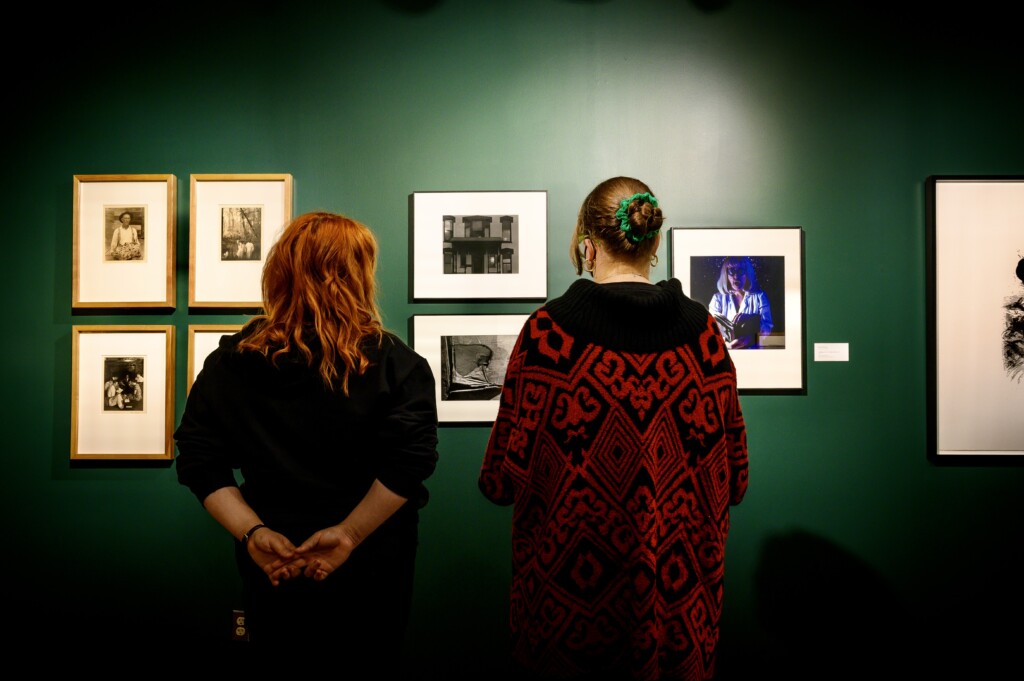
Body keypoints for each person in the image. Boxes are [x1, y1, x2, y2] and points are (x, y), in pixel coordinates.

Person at [479, 176, 749, 681]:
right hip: (677, 618)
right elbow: (736, 479)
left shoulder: (546, 334)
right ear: (655, 243)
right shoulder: (706, 336)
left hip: (565, 619)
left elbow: (498, 480)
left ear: (587, 243)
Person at [174, 211, 440, 663]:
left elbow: (199, 458)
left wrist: (253, 533)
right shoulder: (398, 364)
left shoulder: (230, 363)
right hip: (372, 559)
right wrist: (349, 536)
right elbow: (410, 462)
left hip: (274, 557)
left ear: (279, 270)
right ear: (360, 275)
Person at [708, 255, 773, 349]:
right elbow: (710, 330)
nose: (736, 276)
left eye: (741, 271)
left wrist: (751, 338)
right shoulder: (717, 299)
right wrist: (727, 346)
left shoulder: (760, 296)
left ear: (747, 273)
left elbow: (768, 329)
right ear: (725, 274)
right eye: (731, 271)